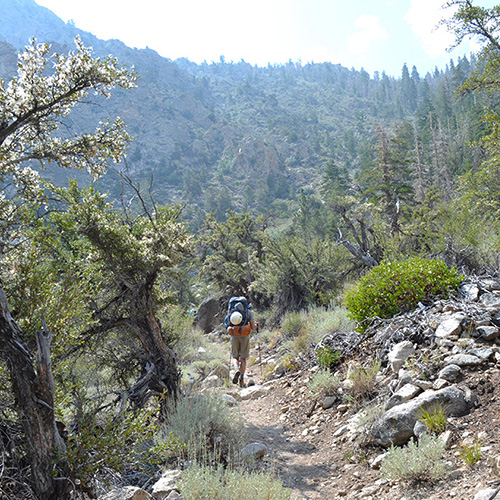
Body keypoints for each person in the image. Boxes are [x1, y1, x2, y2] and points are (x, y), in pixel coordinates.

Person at [225, 298, 258, 388]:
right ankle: (241, 379)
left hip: (234, 336)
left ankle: (236, 370)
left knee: (235, 356)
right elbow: (252, 327)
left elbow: (227, 325)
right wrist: (257, 325)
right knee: (243, 358)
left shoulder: (231, 313)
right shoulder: (248, 312)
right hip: (244, 336)